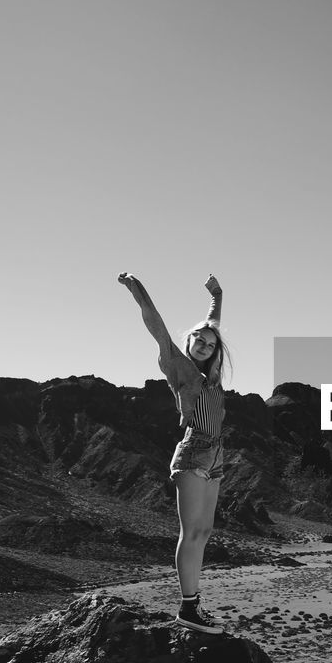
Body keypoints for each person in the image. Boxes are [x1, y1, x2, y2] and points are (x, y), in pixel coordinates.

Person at [118, 271, 230, 634]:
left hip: (215, 455)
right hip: (194, 451)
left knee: (205, 530)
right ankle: (189, 608)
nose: (205, 345)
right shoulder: (179, 366)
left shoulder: (211, 376)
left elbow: (214, 320)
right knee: (191, 531)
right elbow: (157, 328)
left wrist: (217, 294)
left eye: (211, 344)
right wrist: (137, 290)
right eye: (199, 339)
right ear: (190, 340)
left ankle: (194, 606)